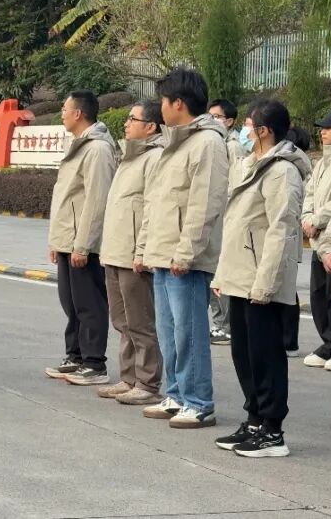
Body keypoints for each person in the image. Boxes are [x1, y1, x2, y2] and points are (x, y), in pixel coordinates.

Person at [211, 99, 309, 457]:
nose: (244, 132)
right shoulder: (251, 163)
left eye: (249, 126)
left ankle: (272, 431)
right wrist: (223, 274)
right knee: (244, 353)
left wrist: (265, 285)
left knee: (266, 355)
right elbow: (237, 226)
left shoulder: (283, 171)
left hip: (260, 281)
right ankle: (254, 418)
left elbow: (281, 231)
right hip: (240, 276)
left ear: (264, 131)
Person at [139, 68, 228, 429]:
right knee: (168, 331)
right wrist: (146, 248)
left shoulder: (207, 142)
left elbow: (204, 203)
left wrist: (186, 251)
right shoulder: (174, 143)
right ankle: (175, 393)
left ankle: (199, 400)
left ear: (178, 103)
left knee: (189, 332)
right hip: (163, 252)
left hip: (184, 258)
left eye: (163, 101)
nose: (160, 108)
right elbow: (157, 201)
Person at [44, 91, 118, 386]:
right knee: (71, 303)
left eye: (65, 108)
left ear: (79, 114)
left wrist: (83, 244)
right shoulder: (77, 145)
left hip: (83, 243)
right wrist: (56, 241)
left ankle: (94, 363)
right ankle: (74, 356)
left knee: (90, 304)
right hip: (68, 240)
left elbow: (96, 200)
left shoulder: (97, 149)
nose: (62, 112)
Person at [97, 100, 164, 405]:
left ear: (151, 126)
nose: (126, 123)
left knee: (140, 321)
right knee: (122, 321)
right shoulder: (128, 157)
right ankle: (129, 378)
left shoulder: (154, 158)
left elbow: (151, 209)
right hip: (114, 251)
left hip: (133, 255)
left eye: (132, 118)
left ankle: (148, 382)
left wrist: (142, 251)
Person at [301, 109, 331, 371]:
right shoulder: (321, 162)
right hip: (318, 238)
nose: (323, 131)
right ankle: (329, 342)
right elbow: (310, 193)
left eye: (329, 127)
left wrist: (317, 221)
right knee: (319, 295)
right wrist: (307, 217)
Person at [208, 99, 243, 345]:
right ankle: (220, 322)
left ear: (229, 121)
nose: (212, 120)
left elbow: (234, 184)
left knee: (222, 273)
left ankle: (226, 325)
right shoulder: (214, 142)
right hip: (215, 215)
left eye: (217, 116)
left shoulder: (233, 146)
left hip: (225, 216)